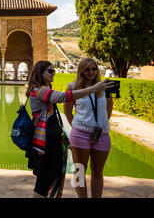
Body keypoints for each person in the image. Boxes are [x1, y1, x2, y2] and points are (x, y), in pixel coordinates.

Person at [25, 60, 114, 198]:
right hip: (45, 141)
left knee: (50, 178)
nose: (53, 73)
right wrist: (93, 89)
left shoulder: (44, 89)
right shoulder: (38, 91)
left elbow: (107, 111)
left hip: (53, 140)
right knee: (45, 180)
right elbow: (63, 98)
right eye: (50, 71)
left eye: (54, 71)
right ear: (39, 73)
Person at [63, 58, 113, 198]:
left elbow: (108, 111)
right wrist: (79, 125)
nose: (91, 72)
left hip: (101, 135)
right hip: (80, 134)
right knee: (79, 171)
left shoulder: (105, 87)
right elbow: (67, 111)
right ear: (81, 71)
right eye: (87, 69)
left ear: (97, 70)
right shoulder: (73, 87)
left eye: (93, 69)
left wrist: (99, 125)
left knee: (98, 172)